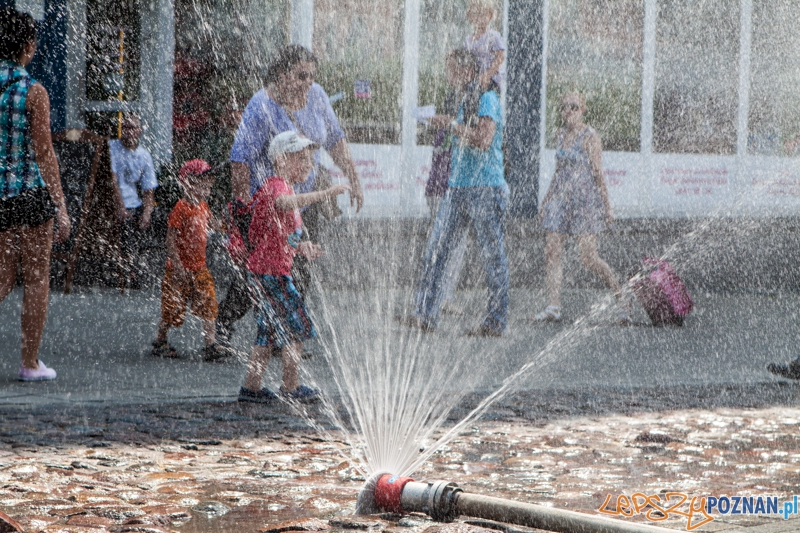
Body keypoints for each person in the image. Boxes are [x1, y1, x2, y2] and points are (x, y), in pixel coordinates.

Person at [219, 44, 363, 346]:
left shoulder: (318, 97)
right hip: (270, 205)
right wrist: (243, 209)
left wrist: (354, 179)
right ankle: (224, 322)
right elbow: (240, 158)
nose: (308, 82)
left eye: (312, 75)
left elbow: (336, 140)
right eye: (301, 76)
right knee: (263, 269)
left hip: (305, 201)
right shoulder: (261, 106)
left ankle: (282, 334)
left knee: (299, 270)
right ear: (282, 75)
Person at [400, 48, 509, 337]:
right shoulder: (466, 98)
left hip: (484, 187)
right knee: (437, 251)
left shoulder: (488, 98)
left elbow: (484, 140)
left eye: (451, 70)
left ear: (466, 71)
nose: (448, 77)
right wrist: (444, 125)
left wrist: (451, 125)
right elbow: (461, 135)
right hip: (457, 187)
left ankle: (496, 321)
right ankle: (425, 314)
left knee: (492, 256)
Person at [237, 131, 349, 403]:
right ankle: (291, 385)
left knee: (268, 331)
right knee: (296, 327)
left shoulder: (287, 187)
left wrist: (302, 247)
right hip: (271, 274)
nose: (308, 165)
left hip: (265, 271)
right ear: (281, 160)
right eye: (301, 158)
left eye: (309, 158)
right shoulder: (277, 186)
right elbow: (281, 204)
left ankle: (251, 388)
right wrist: (324, 194)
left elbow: (281, 234)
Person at [0, 8, 70, 381]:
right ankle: (29, 364)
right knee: (37, 277)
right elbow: (45, 155)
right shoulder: (33, 92)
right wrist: (60, 207)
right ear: (28, 46)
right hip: (28, 195)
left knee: (2, 277)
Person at [534, 91, 629, 323]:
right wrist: (546, 201)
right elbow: (559, 171)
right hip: (560, 199)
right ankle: (553, 306)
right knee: (552, 250)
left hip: (584, 201)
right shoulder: (560, 134)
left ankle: (621, 297)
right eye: (564, 107)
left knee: (589, 258)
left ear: (583, 110)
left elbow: (598, 174)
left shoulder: (590, 137)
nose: (568, 111)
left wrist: (607, 207)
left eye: (574, 107)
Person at [151, 159, 228, 361]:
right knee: (172, 307)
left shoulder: (203, 206)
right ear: (187, 183)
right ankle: (160, 340)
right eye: (203, 185)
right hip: (179, 269)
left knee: (208, 303)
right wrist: (177, 266)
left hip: (199, 267)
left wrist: (224, 224)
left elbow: (212, 224)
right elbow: (170, 240)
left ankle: (210, 344)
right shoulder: (181, 209)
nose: (207, 190)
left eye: (209, 186)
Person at [109, 114, 158, 288]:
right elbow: (113, 182)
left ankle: (145, 265)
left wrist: (147, 213)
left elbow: (148, 189)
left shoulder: (144, 156)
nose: (129, 132)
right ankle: (129, 270)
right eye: (126, 127)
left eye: (132, 127)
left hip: (134, 203)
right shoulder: (112, 148)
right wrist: (120, 207)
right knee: (127, 223)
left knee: (158, 218)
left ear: (140, 131)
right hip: (114, 204)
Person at [464, 0, 506, 91]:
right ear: (469, 15)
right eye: (475, 14)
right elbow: (466, 58)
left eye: (483, 15)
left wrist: (488, 74)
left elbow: (501, 56)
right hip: (477, 78)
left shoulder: (493, 36)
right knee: (467, 90)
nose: (479, 19)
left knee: (475, 91)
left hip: (493, 78)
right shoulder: (468, 40)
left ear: (490, 16)